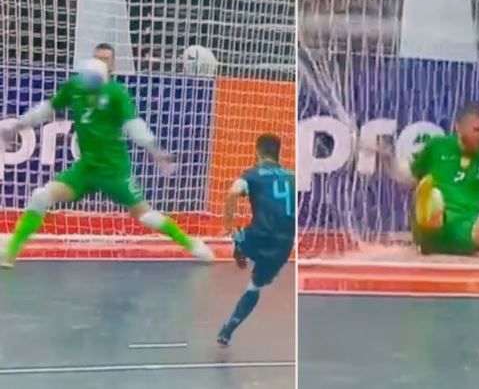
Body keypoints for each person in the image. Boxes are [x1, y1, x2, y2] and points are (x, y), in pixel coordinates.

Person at [0, 43, 214, 267]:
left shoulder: (116, 93)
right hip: (86, 168)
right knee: (41, 196)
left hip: (114, 170)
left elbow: (134, 126)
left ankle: (192, 244)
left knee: (145, 216)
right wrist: (17, 126)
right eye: (97, 58)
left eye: (105, 59)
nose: (99, 63)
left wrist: (157, 152)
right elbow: (47, 109)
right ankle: (10, 252)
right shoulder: (75, 86)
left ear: (111, 66)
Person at [378, 102, 479, 256]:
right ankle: (428, 219)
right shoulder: (437, 147)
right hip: (432, 230)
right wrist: (388, 160)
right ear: (459, 129)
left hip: (467, 232)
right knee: (433, 195)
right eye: (477, 130)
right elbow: (408, 176)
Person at [217, 134, 295, 347]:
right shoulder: (292, 176)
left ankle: (240, 249)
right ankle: (227, 331)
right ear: (278, 153)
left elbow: (233, 193)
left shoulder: (252, 175)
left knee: (238, 235)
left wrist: (228, 225)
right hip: (284, 243)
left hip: (259, 236)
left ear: (258, 152)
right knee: (254, 286)